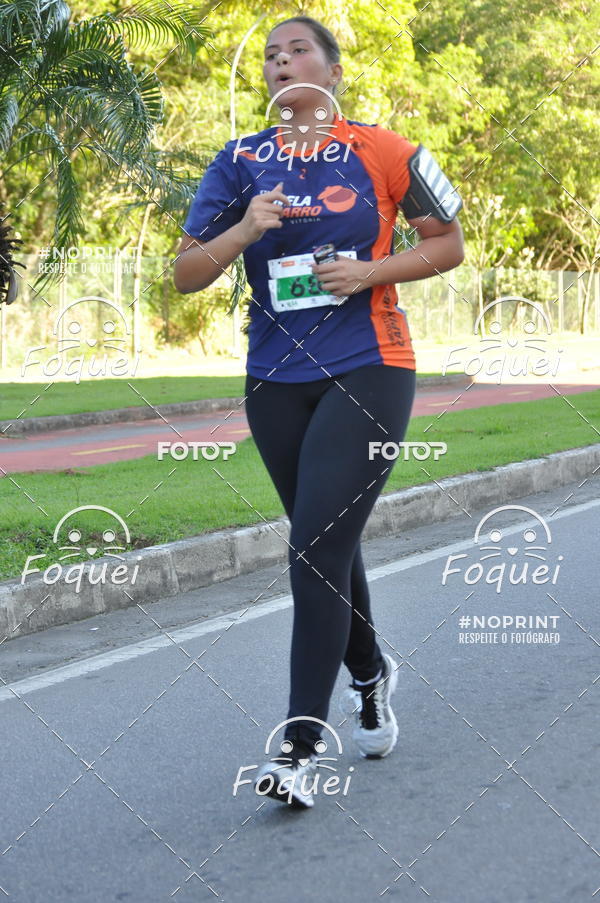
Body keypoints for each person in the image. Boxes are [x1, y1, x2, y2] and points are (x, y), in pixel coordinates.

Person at [174, 15, 464, 808]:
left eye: (298, 49)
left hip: (370, 366)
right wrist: (244, 228)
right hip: (273, 377)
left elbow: (447, 244)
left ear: (333, 72)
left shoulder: (387, 150)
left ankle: (300, 745)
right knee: (323, 546)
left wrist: (370, 272)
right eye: (271, 55)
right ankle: (369, 674)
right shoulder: (240, 160)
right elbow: (187, 273)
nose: (281, 61)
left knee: (312, 547)